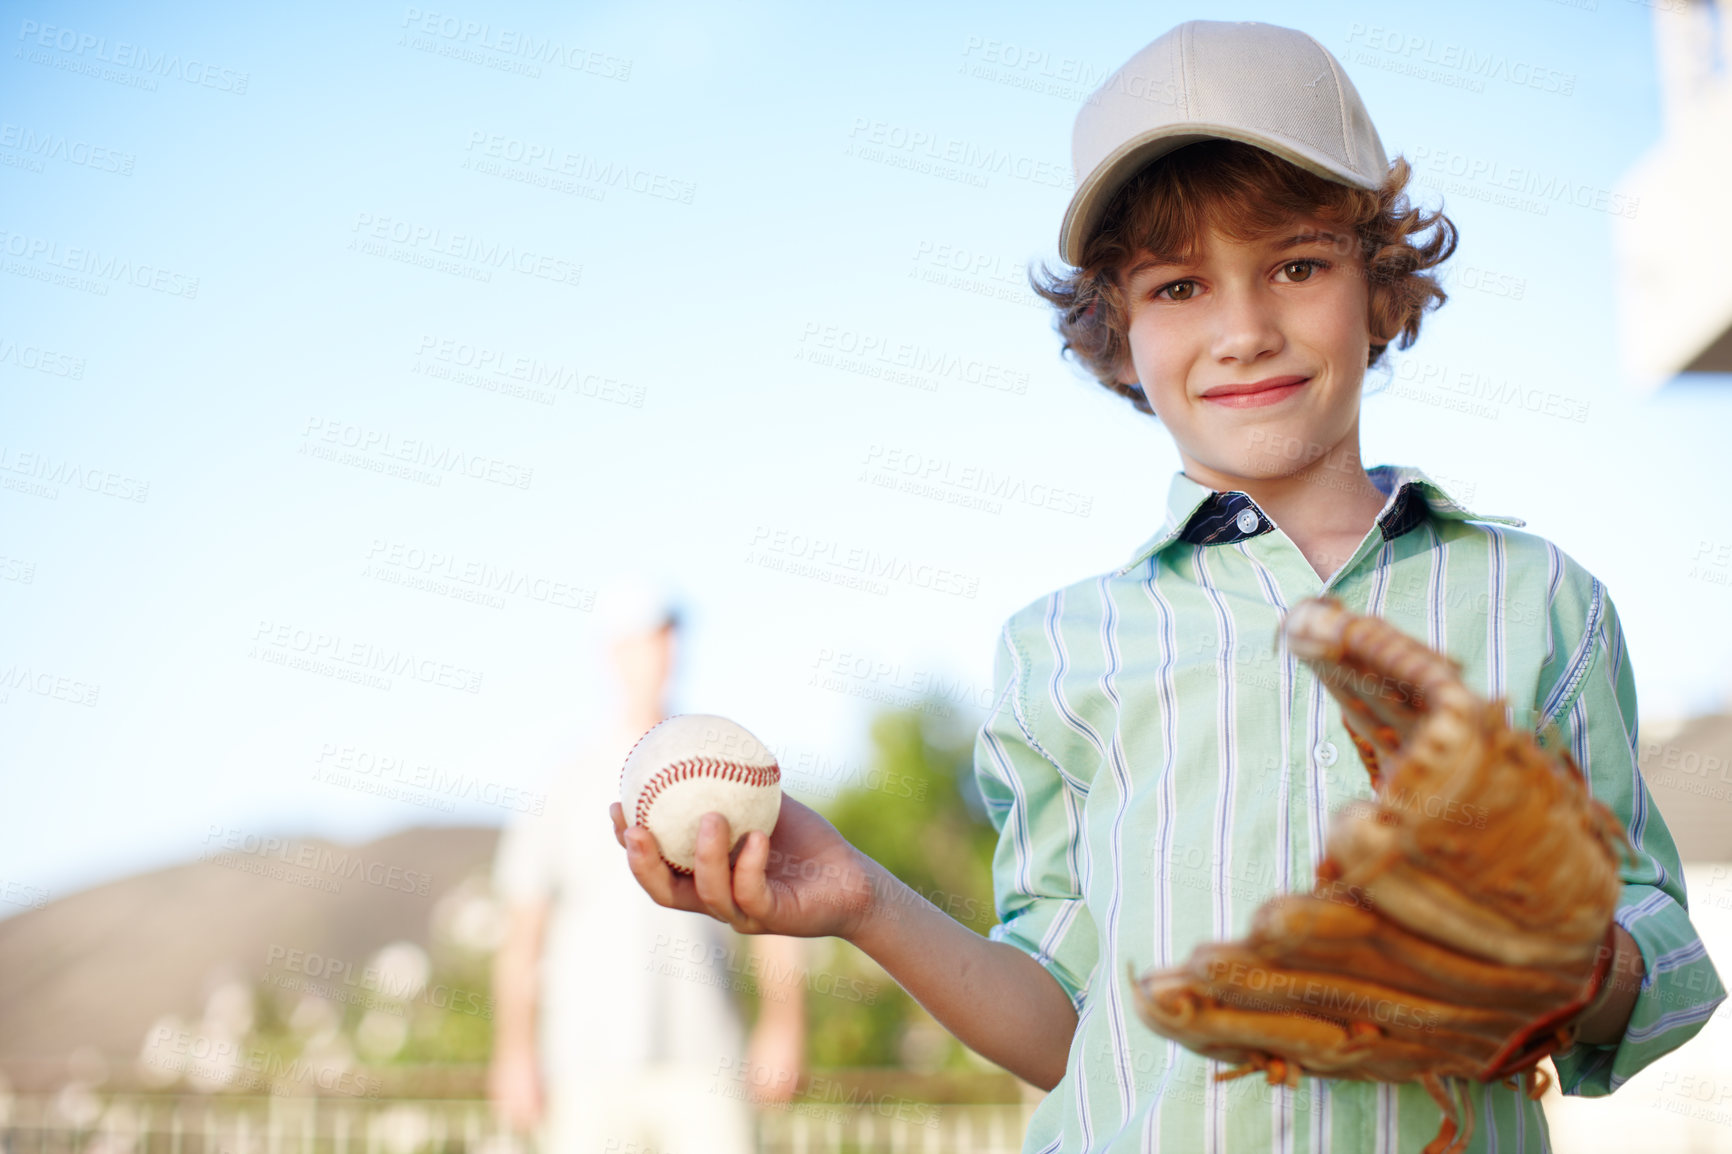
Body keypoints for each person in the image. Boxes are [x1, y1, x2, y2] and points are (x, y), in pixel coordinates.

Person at [611, 20, 1726, 1152]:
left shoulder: (1536, 600)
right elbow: (1067, 1026)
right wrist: (860, 900)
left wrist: (1563, 960)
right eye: (1181, 284)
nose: (1244, 330)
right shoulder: (1058, 647)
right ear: (1117, 327)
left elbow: (1665, 961)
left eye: (1296, 264)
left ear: (1379, 281)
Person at [491, 584, 805, 1154]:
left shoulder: (724, 769)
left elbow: (771, 908)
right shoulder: (565, 778)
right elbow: (523, 932)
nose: (658, 654)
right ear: (611, 653)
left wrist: (783, 1028)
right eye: (642, 641)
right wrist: (514, 1054)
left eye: (665, 639)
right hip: (585, 1061)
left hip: (705, 1055)